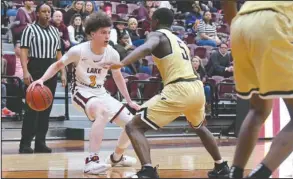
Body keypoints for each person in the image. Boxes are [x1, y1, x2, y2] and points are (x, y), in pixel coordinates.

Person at [104, 8, 230, 178]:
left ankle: (148, 170)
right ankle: (221, 166)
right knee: (199, 127)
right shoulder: (178, 39)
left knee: (133, 126)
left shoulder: (156, 35)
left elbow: (147, 48)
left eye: (151, 19)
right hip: (196, 87)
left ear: (155, 21)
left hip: (179, 89)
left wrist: (121, 63)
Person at [29, 11, 139, 175]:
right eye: (103, 32)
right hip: (81, 92)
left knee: (133, 125)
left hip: (101, 92)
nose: (107, 36)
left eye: (109, 32)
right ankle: (91, 160)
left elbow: (118, 77)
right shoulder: (78, 51)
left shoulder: (113, 53)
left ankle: (117, 157)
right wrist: (42, 80)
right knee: (101, 112)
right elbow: (58, 65)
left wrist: (129, 101)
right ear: (92, 34)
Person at [221, 1, 293, 178]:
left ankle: (235, 173)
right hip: (274, 20)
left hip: (241, 23)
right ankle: (259, 175)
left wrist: (235, 27)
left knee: (258, 109)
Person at [19, 3, 67, 154]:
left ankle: (40, 142)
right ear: (37, 13)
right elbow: (23, 52)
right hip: (35, 68)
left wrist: (63, 72)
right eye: (44, 11)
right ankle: (25, 143)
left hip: (51, 69)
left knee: (46, 108)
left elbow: (59, 54)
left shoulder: (55, 31)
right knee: (32, 109)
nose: (47, 14)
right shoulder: (29, 29)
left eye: (49, 11)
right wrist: (25, 71)